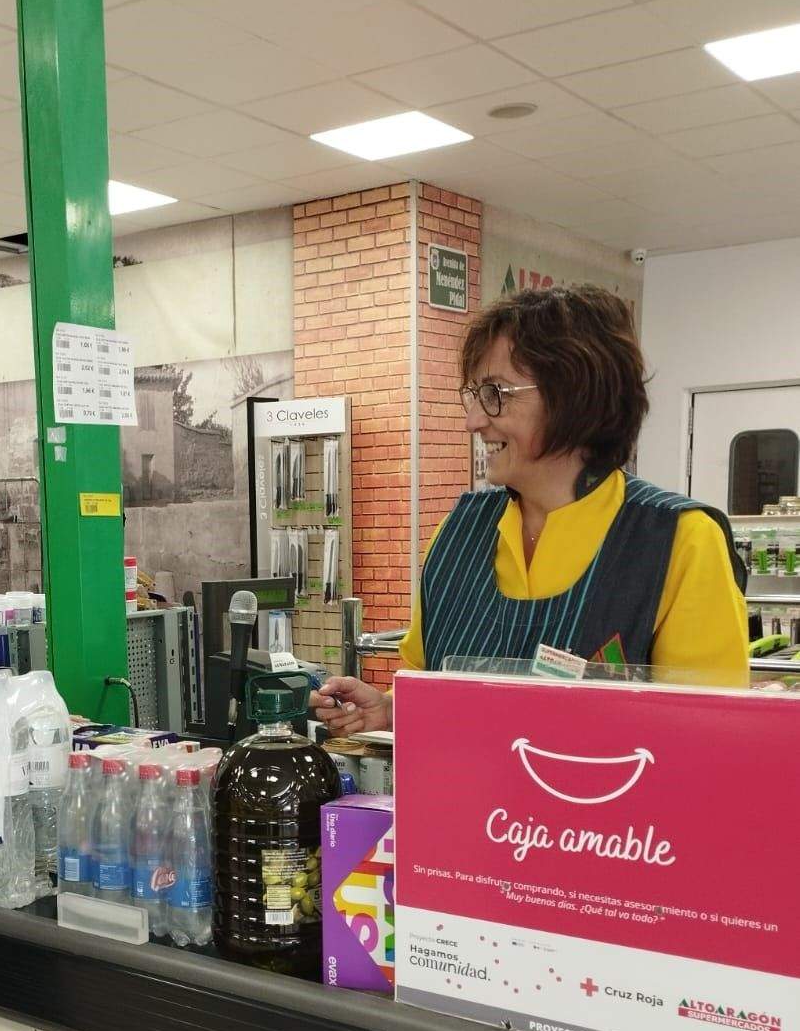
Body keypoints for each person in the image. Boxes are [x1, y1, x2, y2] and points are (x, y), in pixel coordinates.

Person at [315, 284, 748, 735]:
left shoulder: (677, 541)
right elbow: (428, 684)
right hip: (462, 785)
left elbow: (709, 734)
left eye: (496, 394)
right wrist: (388, 711)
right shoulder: (457, 533)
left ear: (577, 396)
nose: (474, 421)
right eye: (474, 395)